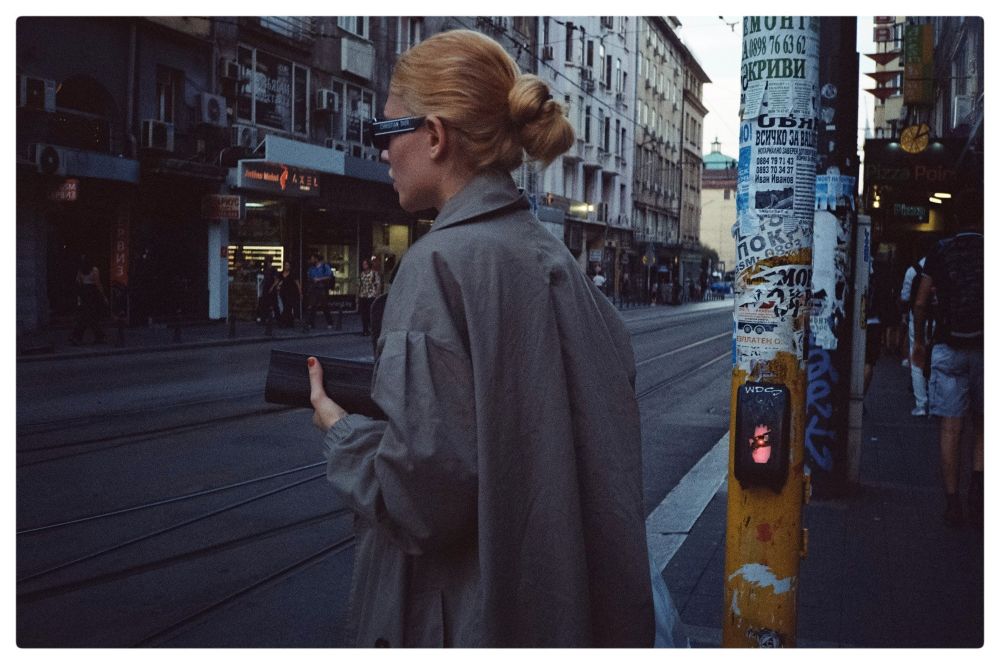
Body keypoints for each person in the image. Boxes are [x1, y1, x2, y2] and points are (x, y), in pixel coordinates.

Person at [306, 29, 653, 647]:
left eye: (389, 132)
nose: (383, 153)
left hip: (465, 623)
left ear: (434, 136)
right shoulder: (557, 259)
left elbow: (419, 500)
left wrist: (343, 434)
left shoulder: (437, 265)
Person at [912, 190, 983, 528]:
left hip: (949, 345)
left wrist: (920, 341)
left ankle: (953, 502)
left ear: (954, 219)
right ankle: (979, 489)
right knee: (985, 423)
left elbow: (921, 301)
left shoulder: (941, 251)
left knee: (951, 427)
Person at [899, 256, 929, 416]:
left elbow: (905, 296)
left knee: (916, 358)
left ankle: (921, 403)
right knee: (935, 358)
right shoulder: (945, 263)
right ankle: (935, 399)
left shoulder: (913, 271)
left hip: (916, 317)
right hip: (939, 319)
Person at [69, 254, 108, 345]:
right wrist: (103, 296)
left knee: (87, 316)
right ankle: (99, 336)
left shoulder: (80, 271)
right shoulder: (94, 270)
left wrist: (79, 296)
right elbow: (98, 284)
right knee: (90, 316)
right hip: (92, 292)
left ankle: (77, 336)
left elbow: (78, 282)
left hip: (84, 292)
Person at [304, 252, 334, 330]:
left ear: (316, 259)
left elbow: (329, 276)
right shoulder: (311, 268)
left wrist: (319, 279)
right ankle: (311, 323)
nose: (311, 260)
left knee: (325, 306)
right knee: (313, 306)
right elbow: (309, 277)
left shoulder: (324, 266)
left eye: (312, 259)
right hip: (314, 288)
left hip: (322, 288)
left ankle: (330, 322)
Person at [357, 258, 382, 336]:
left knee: (370, 313)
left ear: (368, 265)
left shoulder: (374, 273)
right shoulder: (361, 274)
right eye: (363, 264)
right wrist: (357, 296)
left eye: (365, 264)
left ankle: (372, 328)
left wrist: (377, 294)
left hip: (371, 295)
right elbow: (359, 285)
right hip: (363, 295)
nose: (364, 266)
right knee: (364, 314)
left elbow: (378, 284)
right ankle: (365, 330)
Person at [277, 261, 301, 328]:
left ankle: (285, 322)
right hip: (283, 293)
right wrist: (274, 287)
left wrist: (300, 292)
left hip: (291, 293)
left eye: (288, 265)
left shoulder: (293, 274)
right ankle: (289, 322)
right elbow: (278, 281)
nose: (286, 267)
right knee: (286, 307)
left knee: (288, 307)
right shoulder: (281, 274)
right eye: (285, 265)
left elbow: (297, 283)